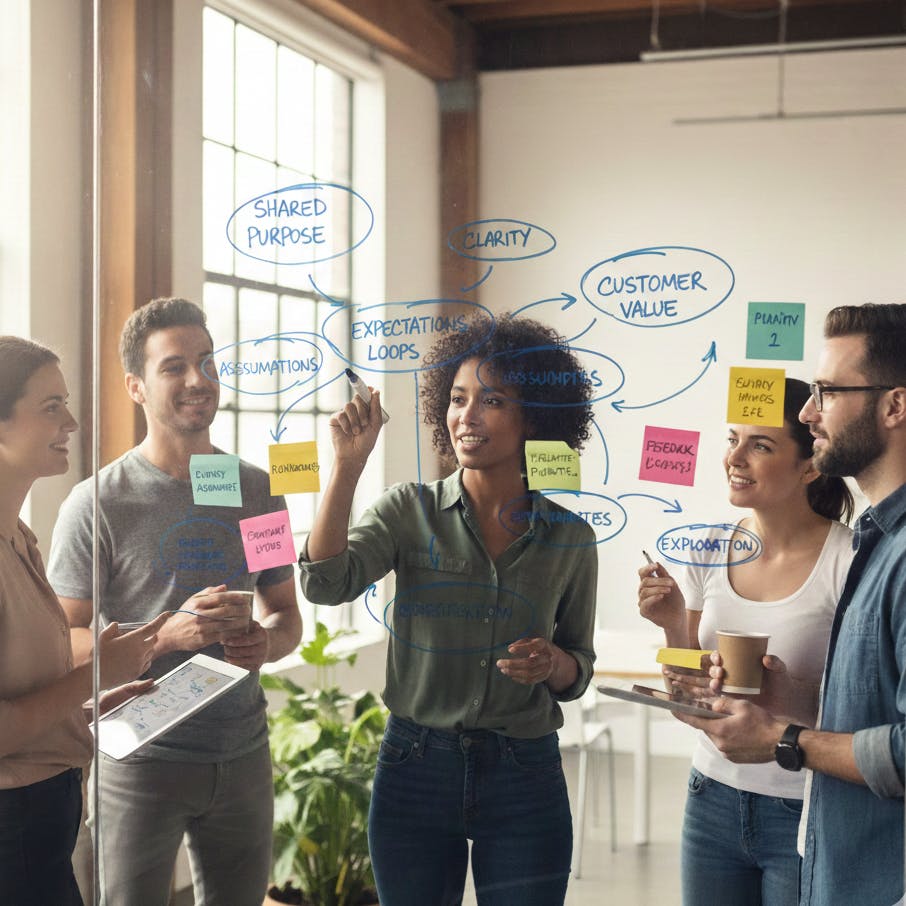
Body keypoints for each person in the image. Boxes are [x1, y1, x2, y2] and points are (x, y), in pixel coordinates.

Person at [299, 314, 598, 905]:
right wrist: (347, 466)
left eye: (492, 401)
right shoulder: (407, 511)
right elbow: (326, 582)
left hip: (524, 773)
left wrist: (553, 665)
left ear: (533, 418)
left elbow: (578, 668)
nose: (468, 416)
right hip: (416, 766)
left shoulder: (571, 538)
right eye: (458, 399)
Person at [46, 299, 303, 906]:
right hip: (136, 754)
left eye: (208, 362)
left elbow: (286, 614)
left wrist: (267, 641)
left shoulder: (256, 490)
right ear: (136, 386)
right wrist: (166, 636)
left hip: (242, 752)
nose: (198, 380)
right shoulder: (96, 503)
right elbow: (66, 640)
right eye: (175, 367)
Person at [678, 303, 906, 905]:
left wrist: (786, 738)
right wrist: (790, 704)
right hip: (737, 803)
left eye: (827, 391)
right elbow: (865, 706)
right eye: (732, 440)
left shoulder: (867, 554)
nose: (810, 410)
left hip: (835, 837)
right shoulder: (879, 546)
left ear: (894, 406)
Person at [638, 377, 855, 904]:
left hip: (803, 805)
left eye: (760, 445)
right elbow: (688, 692)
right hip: (709, 794)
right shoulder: (710, 548)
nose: (735, 457)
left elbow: (864, 705)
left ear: (811, 464)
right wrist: (671, 624)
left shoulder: (849, 562)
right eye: (733, 438)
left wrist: (791, 698)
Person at [0, 336, 168, 906]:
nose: (71, 420)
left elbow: (23, 698)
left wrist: (92, 705)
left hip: (43, 813)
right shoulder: (89, 503)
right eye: (51, 406)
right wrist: (97, 671)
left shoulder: (19, 538)